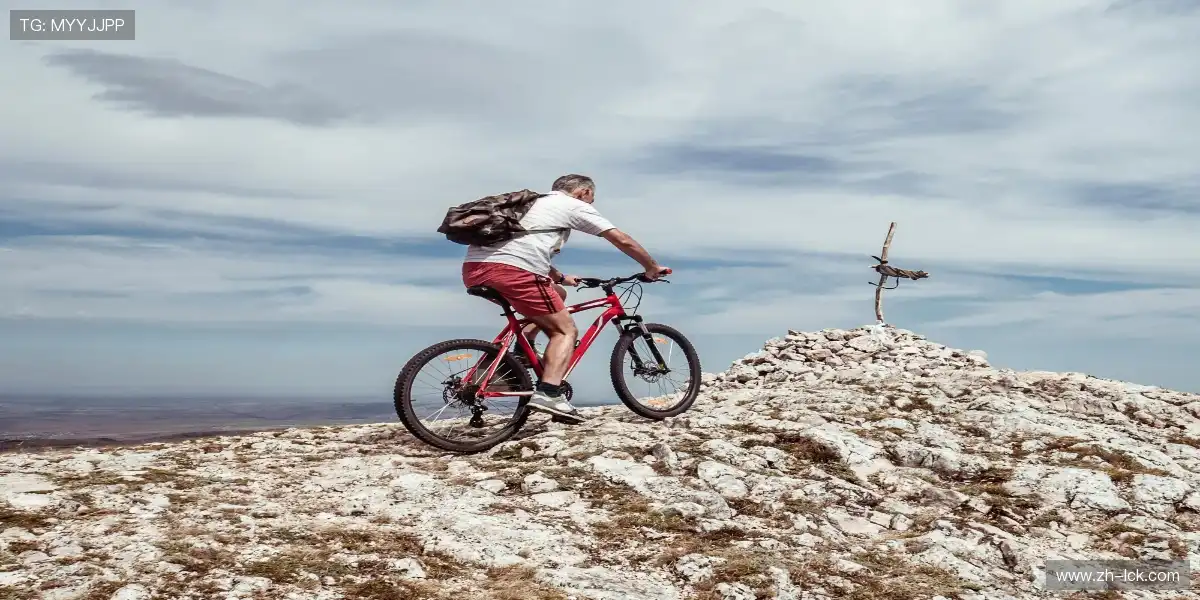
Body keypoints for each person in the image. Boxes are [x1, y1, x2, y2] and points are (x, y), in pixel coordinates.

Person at [461, 174, 671, 424]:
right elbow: (621, 239)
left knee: (557, 295)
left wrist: (559, 277)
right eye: (591, 199)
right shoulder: (572, 205)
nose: (591, 205)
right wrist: (651, 267)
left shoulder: (529, 205)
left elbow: (518, 248)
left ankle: (522, 351)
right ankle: (549, 393)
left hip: (475, 271)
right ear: (583, 192)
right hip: (514, 272)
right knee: (565, 331)